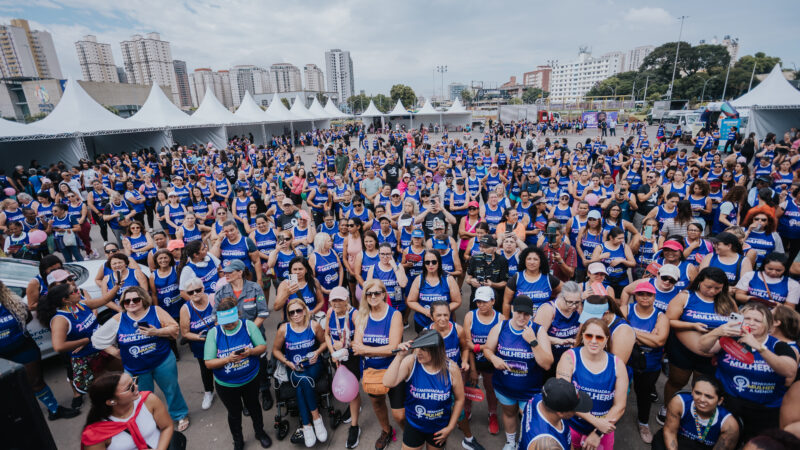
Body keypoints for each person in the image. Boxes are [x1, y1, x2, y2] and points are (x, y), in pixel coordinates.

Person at [90, 286, 190, 431]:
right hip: (135, 368)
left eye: (135, 299)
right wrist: (115, 352)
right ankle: (150, 421)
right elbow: (97, 339)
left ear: (143, 300)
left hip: (162, 361)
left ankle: (180, 414)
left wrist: (156, 332)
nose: (131, 303)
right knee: (141, 397)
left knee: (171, 389)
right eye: (127, 301)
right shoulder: (119, 318)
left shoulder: (155, 311)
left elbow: (174, 328)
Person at [698, 301, 798, 442]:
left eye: (757, 320)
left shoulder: (778, 345)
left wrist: (759, 347)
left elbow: (789, 371)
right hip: (729, 401)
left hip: (764, 409)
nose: (751, 323)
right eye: (747, 318)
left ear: (768, 324)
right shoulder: (731, 338)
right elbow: (703, 348)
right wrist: (717, 332)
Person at [661, 267, 738, 425]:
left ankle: (695, 411)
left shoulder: (728, 301)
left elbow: (736, 322)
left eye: (717, 288)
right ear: (699, 282)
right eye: (708, 287)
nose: (712, 291)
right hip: (682, 350)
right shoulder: (685, 296)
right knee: (677, 381)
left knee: (702, 385)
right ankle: (667, 407)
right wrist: (692, 325)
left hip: (712, 354)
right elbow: (669, 320)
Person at [0, 280, 80, 420]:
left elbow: (27, 316)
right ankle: (17, 417)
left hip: (23, 348)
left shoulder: (10, 301)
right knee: (8, 388)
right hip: (2, 357)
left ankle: (54, 410)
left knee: (36, 382)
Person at [483, 295, 553, 450]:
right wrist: (493, 358)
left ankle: (523, 443)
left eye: (526, 314)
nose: (522, 317)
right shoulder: (501, 327)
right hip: (504, 387)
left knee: (529, 420)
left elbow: (547, 364)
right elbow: (487, 349)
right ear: (512, 310)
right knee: (509, 413)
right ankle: (510, 442)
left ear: (531, 314)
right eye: (519, 312)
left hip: (530, 391)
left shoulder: (538, 330)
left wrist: (533, 342)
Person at [205, 296, 272, 450]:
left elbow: (262, 346)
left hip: (251, 379)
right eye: (226, 323)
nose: (230, 325)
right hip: (226, 385)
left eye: (233, 322)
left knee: (254, 407)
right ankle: (238, 440)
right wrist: (227, 359)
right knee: (234, 413)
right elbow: (208, 363)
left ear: (238, 315)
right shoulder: (213, 333)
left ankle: (260, 432)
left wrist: (251, 351)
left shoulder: (248, 325)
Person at [382, 329, 465, 450]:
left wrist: (450, 427)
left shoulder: (451, 368)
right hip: (414, 425)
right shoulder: (411, 362)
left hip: (439, 427)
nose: (418, 352)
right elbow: (388, 382)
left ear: (436, 350)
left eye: (424, 349)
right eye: (418, 347)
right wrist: (399, 357)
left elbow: (460, 399)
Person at [556, 317, 628, 450]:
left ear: (606, 339)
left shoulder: (617, 365)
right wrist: (596, 422)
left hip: (603, 430)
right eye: (589, 336)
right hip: (572, 426)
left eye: (599, 337)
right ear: (583, 336)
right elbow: (564, 397)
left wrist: (598, 432)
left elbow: (620, 406)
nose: (593, 341)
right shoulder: (569, 358)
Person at [352, 279, 404, 450]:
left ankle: (411, 435)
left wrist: (366, 350)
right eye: (369, 294)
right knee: (377, 403)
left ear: (384, 294)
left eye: (377, 293)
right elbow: (356, 347)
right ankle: (386, 431)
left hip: (394, 369)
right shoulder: (362, 316)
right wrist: (379, 350)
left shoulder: (394, 315)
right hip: (371, 370)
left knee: (399, 414)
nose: (373, 296)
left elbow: (393, 348)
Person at [272, 298, 328, 447]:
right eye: (292, 312)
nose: (295, 314)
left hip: (313, 365)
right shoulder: (284, 329)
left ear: (304, 311)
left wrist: (317, 352)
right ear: (288, 314)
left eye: (298, 310)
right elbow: (275, 350)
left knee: (301, 384)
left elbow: (324, 342)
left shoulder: (313, 325)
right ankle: (316, 418)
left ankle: (307, 425)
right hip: (293, 367)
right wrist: (286, 362)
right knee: (303, 380)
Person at [80, 372, 177, 450]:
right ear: (112, 401)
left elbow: (167, 427)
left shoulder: (149, 400)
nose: (136, 387)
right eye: (130, 388)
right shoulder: (94, 434)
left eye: (134, 381)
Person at [624, 282, 669, 443]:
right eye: (641, 294)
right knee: (618, 390)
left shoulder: (661, 316)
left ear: (654, 297)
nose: (644, 297)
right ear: (635, 296)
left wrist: (630, 331)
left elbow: (659, 341)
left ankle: (643, 423)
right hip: (626, 361)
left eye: (648, 294)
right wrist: (649, 337)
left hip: (650, 364)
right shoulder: (626, 309)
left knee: (644, 395)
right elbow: (617, 332)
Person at [653, 375, 739, 450]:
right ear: (692, 392)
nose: (701, 399)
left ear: (720, 401)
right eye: (697, 393)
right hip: (679, 439)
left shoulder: (729, 424)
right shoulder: (679, 403)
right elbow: (670, 432)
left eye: (708, 397)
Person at [324, 286, 362, 449]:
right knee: (346, 387)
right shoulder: (330, 312)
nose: (336, 303)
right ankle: (355, 405)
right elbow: (326, 334)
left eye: (340, 299)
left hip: (353, 357)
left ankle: (355, 426)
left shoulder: (354, 315)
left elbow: (361, 340)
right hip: (337, 358)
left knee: (353, 390)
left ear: (347, 299)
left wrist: (346, 344)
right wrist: (333, 352)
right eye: (334, 300)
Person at [463, 286, 503, 435]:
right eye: (478, 302)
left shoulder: (500, 319)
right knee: (469, 385)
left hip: (491, 362)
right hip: (473, 360)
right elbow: (467, 344)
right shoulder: (470, 316)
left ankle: (492, 414)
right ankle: (467, 410)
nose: (481, 305)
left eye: (485, 302)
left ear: (493, 301)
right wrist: (473, 369)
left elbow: (500, 345)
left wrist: (478, 347)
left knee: (491, 389)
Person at [517, 377, 593, 450]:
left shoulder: (539, 398)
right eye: (575, 409)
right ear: (560, 413)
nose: (577, 412)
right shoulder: (547, 446)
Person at [178, 278, 216, 411]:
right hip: (201, 345)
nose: (195, 294)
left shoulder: (213, 298)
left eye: (198, 290)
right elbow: (185, 333)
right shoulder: (185, 309)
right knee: (205, 369)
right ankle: (208, 392)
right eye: (190, 292)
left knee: (224, 365)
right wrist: (199, 337)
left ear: (203, 288)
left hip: (219, 340)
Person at [406, 250, 462, 332]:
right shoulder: (418, 279)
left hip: (444, 323)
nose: (430, 265)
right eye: (427, 262)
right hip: (422, 322)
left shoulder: (449, 279)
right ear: (424, 264)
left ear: (439, 262)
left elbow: (457, 301)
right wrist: (426, 312)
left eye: (434, 262)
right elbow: (411, 301)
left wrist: (440, 312)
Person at [534, 281, 582, 374]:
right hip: (551, 358)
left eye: (577, 302)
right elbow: (536, 336)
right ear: (561, 297)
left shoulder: (578, 308)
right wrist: (559, 341)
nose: (573, 306)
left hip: (569, 358)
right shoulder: (548, 309)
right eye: (570, 302)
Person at [503, 246, 561, 317]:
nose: (532, 262)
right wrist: (505, 322)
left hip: (543, 318)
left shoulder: (548, 278)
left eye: (535, 259)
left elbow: (566, 291)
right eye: (529, 259)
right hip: (521, 319)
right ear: (524, 261)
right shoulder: (516, 278)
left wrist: (554, 305)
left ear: (541, 262)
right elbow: (506, 303)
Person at [735, 252, 800, 306]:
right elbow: (739, 295)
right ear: (764, 266)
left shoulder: (792, 284)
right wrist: (752, 298)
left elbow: (790, 307)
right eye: (770, 269)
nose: (773, 272)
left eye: (778, 270)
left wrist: (778, 305)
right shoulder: (750, 275)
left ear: (785, 269)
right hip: (750, 310)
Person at [464, 235, 508, 311]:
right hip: (477, 298)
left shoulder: (502, 260)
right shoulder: (475, 258)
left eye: (485, 247)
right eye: (480, 246)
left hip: (494, 299)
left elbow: (504, 283)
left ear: (494, 248)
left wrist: (492, 284)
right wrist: (471, 281)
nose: (482, 249)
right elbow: (468, 279)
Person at [367, 242, 408, 312]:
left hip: (397, 305)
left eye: (388, 254)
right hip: (380, 305)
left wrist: (394, 266)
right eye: (382, 254)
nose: (385, 257)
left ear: (391, 254)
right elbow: (368, 290)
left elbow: (403, 284)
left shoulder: (398, 266)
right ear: (378, 254)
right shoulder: (373, 268)